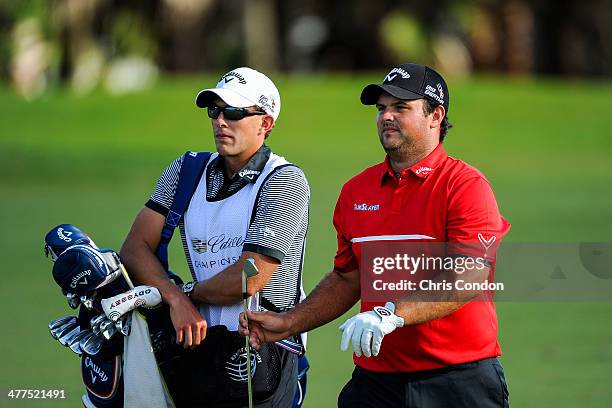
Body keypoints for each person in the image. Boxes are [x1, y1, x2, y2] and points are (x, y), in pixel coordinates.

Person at [240, 63, 511, 407]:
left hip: (457, 381)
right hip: (377, 381)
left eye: (401, 107)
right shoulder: (356, 191)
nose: (386, 116)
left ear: (435, 115)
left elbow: (469, 275)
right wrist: (289, 322)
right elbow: (347, 278)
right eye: (382, 108)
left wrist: (390, 314)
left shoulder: (464, 186)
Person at [121, 67, 310, 407]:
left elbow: (249, 277)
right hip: (197, 344)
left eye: (235, 112)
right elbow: (134, 248)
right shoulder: (186, 170)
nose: (221, 121)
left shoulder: (285, 181)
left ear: (265, 123)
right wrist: (176, 300)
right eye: (215, 110)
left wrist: (188, 294)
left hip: (262, 353)